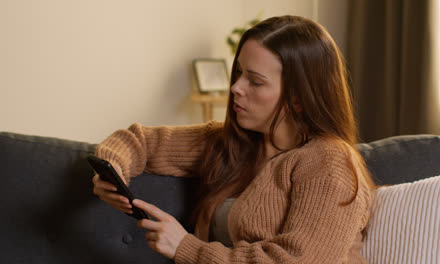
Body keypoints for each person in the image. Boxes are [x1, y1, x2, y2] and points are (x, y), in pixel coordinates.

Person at [92, 15, 376, 263]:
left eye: (255, 81)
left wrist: (186, 248)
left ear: (299, 97)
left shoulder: (329, 161)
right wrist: (113, 170)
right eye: (239, 72)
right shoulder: (230, 141)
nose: (235, 88)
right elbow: (139, 140)